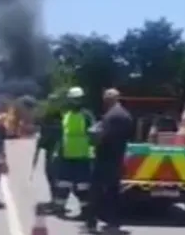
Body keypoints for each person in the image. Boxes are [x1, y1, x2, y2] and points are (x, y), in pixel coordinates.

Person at [86, 88, 133, 234]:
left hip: (104, 159)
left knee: (96, 192)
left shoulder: (110, 116)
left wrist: (93, 135)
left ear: (108, 99)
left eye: (105, 99)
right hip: (117, 158)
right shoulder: (126, 115)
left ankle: (92, 223)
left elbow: (100, 137)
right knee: (113, 193)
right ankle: (113, 223)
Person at [53, 86, 94, 218]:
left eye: (78, 99)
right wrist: (57, 151)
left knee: (82, 187)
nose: (75, 102)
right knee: (63, 184)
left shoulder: (87, 115)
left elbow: (94, 134)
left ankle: (86, 212)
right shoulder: (66, 115)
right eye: (73, 99)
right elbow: (62, 135)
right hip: (66, 156)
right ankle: (59, 208)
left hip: (82, 157)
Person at [31, 102, 62, 207]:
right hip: (55, 154)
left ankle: (56, 201)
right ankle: (56, 201)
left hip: (55, 155)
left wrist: (33, 165)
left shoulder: (51, 128)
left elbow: (40, 144)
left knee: (54, 179)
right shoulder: (58, 125)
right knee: (54, 179)